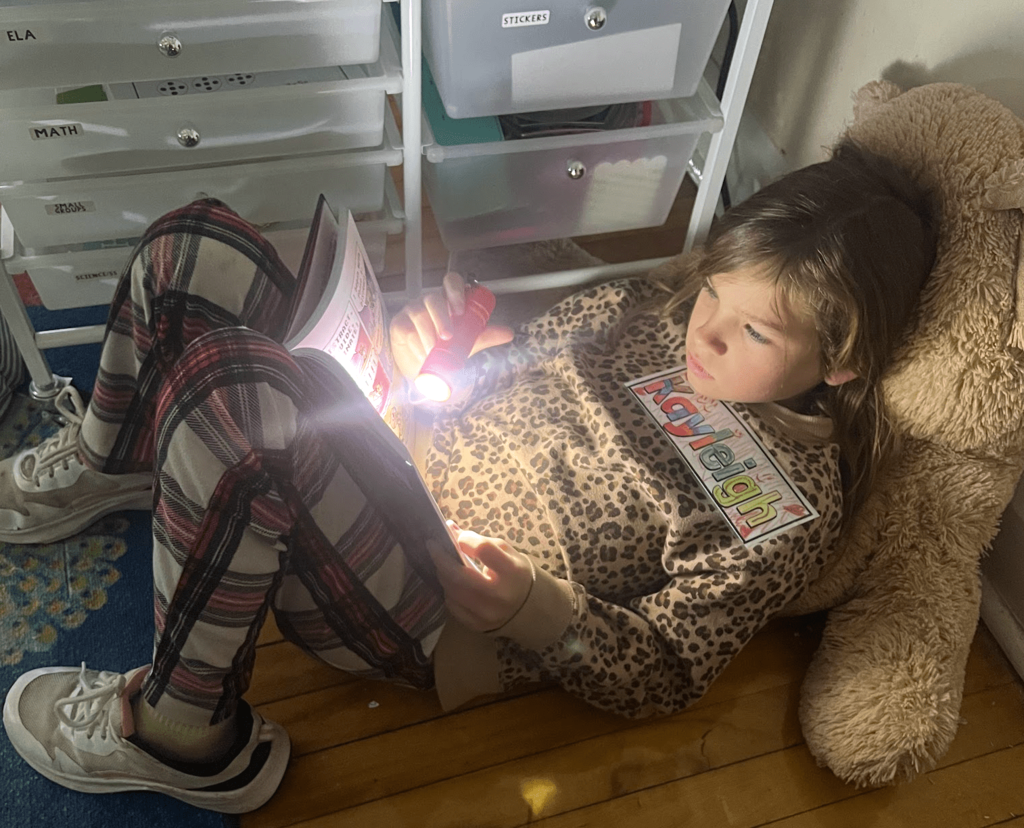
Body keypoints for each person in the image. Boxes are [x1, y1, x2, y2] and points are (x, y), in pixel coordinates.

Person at [0, 140, 937, 814]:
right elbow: (527, 362)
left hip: (439, 610)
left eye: (756, 331)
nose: (708, 328)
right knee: (188, 242)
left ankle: (185, 733)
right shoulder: (658, 311)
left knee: (231, 392)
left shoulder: (783, 505)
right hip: (395, 452)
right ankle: (112, 461)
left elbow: (667, 670)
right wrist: (449, 348)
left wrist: (530, 607)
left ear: (841, 365)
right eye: (716, 291)